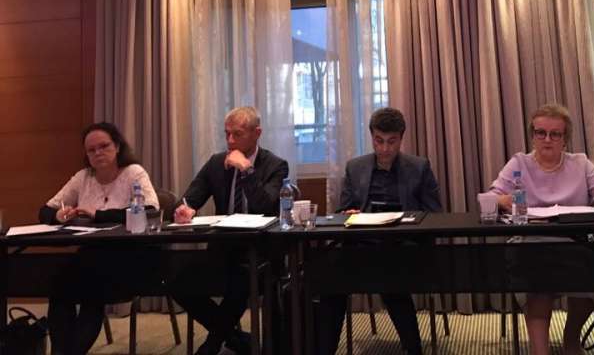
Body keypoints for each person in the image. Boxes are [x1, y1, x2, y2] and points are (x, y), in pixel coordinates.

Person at [488, 103, 594, 355]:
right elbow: (490, 196)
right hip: (531, 244)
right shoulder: (519, 163)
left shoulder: (581, 163)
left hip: (575, 244)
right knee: (538, 284)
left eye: (555, 134)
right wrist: (500, 200)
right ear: (532, 135)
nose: (547, 139)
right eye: (540, 133)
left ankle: (571, 338)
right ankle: (539, 350)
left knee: (592, 284)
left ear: (565, 139)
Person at [317, 107, 442, 355]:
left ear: (401, 138)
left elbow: (434, 214)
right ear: (372, 136)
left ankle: (413, 349)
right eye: (379, 141)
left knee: (389, 275)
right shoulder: (355, 167)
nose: (384, 148)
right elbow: (342, 212)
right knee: (331, 282)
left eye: (391, 141)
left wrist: (409, 221)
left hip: (403, 246)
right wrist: (349, 214)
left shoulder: (419, 167)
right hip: (361, 245)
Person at [171, 106, 288, 355]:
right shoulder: (216, 163)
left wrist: (246, 169)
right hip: (222, 249)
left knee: (241, 280)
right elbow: (191, 197)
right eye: (227, 134)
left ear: (257, 133)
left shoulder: (276, 165)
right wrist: (185, 209)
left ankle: (211, 346)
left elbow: (265, 206)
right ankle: (236, 339)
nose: (230, 141)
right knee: (177, 283)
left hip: (262, 253)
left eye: (237, 134)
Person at [40, 121, 159, 355]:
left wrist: (98, 215)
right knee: (59, 288)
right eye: (91, 150)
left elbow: (151, 210)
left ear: (117, 146)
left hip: (129, 255)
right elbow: (45, 210)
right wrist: (58, 215)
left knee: (91, 288)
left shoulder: (133, 173)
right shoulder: (83, 177)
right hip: (91, 254)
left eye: (104, 146)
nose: (98, 153)